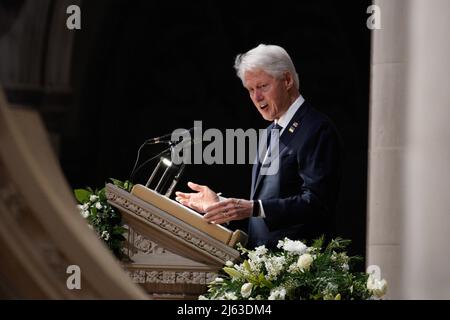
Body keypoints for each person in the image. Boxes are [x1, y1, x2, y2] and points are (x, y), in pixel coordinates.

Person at [175, 44, 342, 249]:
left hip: (300, 265)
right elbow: (261, 208)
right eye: (251, 90)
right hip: (263, 264)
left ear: (287, 80)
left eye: (262, 86)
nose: (256, 97)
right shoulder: (269, 132)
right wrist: (222, 206)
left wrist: (254, 208)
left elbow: (317, 203)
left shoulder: (316, 128)